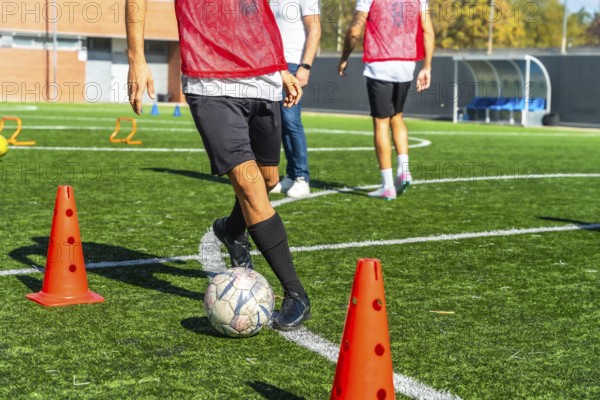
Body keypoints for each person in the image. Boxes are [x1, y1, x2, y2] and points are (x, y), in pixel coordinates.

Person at [125, 0, 310, 331]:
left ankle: (231, 230)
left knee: (268, 179)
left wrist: (280, 65)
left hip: (263, 76)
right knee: (252, 188)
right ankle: (296, 294)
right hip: (211, 82)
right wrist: (136, 58)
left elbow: (259, 11)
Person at [338, 0, 434, 200]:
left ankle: (387, 185)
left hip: (380, 65)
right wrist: (427, 67)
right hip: (407, 65)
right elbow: (428, 31)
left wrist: (344, 56)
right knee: (397, 116)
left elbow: (355, 30)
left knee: (381, 123)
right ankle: (404, 169)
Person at [270, 0, 321, 198]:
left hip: (292, 64)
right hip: (270, 65)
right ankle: (291, 175)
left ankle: (302, 177)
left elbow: (315, 30)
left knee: (291, 120)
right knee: (280, 122)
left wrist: (305, 66)